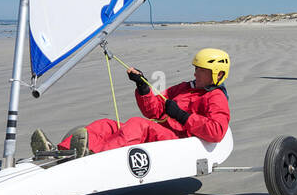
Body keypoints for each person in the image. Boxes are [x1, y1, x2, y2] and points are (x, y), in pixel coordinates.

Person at [31, 48, 231, 158]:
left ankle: (93, 156)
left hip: (180, 140)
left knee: (137, 125)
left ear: (217, 74)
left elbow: (216, 132)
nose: (195, 72)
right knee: (106, 125)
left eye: (201, 70)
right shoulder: (184, 87)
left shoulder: (216, 98)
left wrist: (181, 115)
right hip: (162, 130)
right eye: (196, 68)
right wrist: (143, 87)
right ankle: (61, 151)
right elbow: (153, 111)